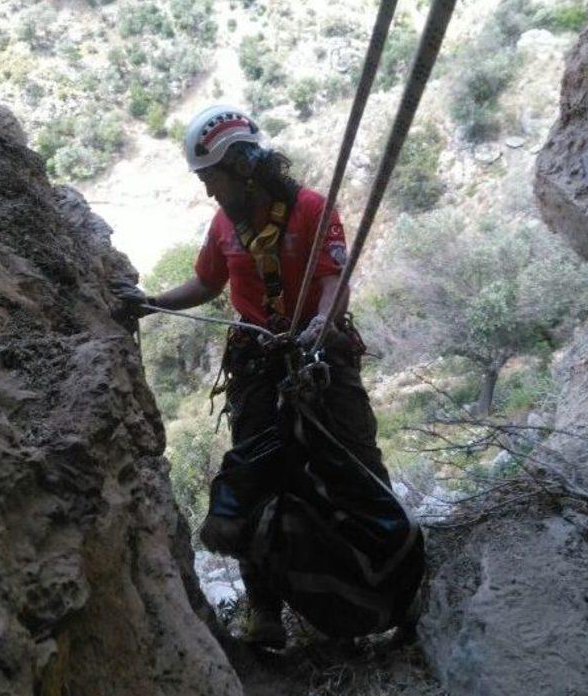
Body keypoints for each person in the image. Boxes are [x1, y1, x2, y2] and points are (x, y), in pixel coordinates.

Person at [121, 104, 391, 648]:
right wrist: (152, 304)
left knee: (355, 460)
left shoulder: (312, 208)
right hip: (258, 357)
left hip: (319, 350)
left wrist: (319, 323)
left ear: (242, 166)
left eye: (211, 178)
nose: (207, 192)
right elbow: (204, 285)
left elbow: (333, 277)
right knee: (257, 473)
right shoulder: (223, 224)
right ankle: (265, 610)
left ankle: (392, 585)